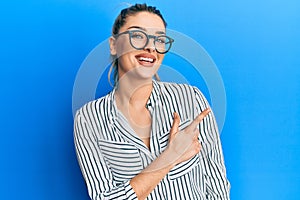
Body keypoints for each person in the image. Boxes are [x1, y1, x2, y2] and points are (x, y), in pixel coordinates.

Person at [74, 3, 230, 200]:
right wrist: (170, 157)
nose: (150, 47)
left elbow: (217, 188)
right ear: (114, 45)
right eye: (137, 35)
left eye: (159, 39)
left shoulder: (192, 100)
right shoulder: (89, 119)